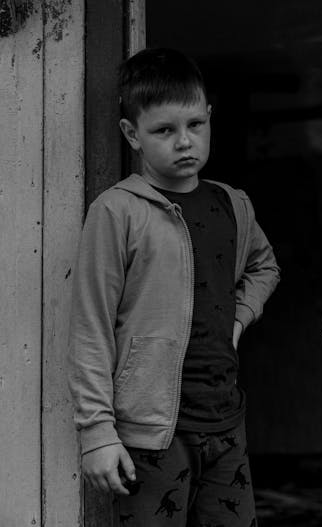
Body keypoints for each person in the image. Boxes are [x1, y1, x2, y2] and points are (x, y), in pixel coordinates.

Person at [67, 47, 280, 526]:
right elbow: (90, 325)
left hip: (226, 421)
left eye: (195, 126)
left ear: (208, 117)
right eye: (164, 130)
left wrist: (238, 321)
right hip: (151, 435)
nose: (184, 142)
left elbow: (265, 267)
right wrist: (97, 432)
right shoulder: (117, 211)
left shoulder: (233, 204)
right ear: (132, 135)